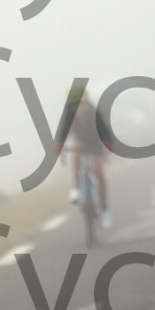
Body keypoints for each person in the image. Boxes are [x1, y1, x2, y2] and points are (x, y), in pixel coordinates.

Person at [55, 85, 114, 230]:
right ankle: (76, 187)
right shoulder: (68, 113)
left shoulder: (94, 112)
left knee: (98, 172)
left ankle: (104, 208)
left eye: (82, 104)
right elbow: (63, 130)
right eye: (74, 105)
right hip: (80, 140)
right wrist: (60, 146)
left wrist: (108, 145)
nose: (78, 108)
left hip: (95, 142)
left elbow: (104, 129)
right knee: (75, 151)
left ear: (87, 103)